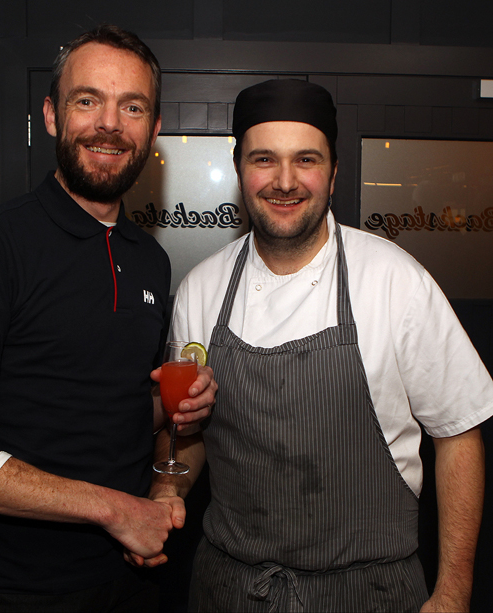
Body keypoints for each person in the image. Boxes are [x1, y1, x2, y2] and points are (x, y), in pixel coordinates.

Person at [143, 79, 493, 612]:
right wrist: (167, 491)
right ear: (240, 169)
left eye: (305, 159)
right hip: (230, 590)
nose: (285, 181)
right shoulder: (202, 288)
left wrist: (452, 593)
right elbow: (191, 426)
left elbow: (459, 435)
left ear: (333, 171)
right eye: (265, 159)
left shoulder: (396, 280)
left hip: (370, 591)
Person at [0, 25, 215, 613]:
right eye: (87, 100)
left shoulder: (149, 258)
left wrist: (180, 405)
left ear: (152, 131)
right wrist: (116, 510)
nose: (109, 124)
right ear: (51, 115)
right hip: (14, 591)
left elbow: (113, 406)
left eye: (132, 107)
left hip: (134, 577)